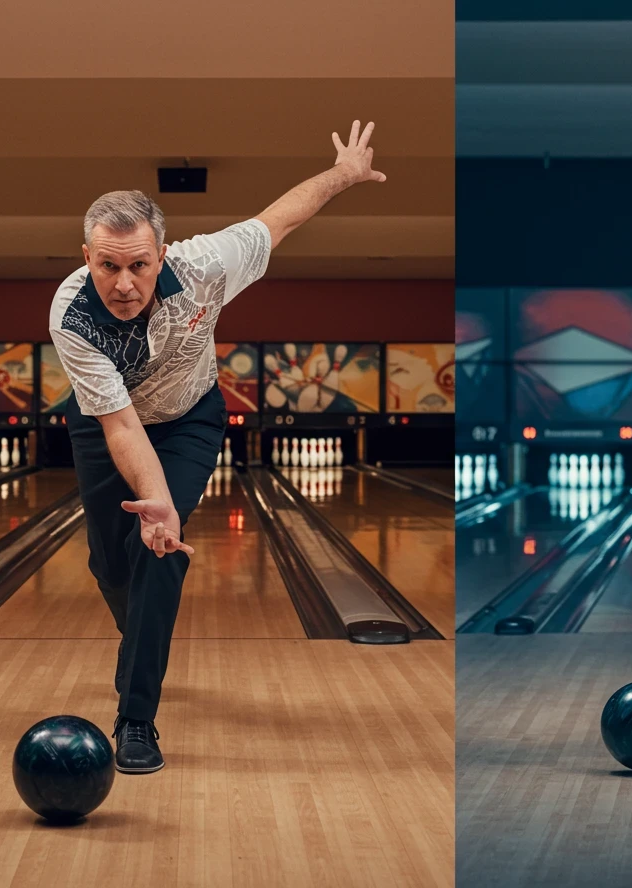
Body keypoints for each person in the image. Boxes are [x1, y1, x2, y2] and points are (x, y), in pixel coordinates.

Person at [48, 120, 387, 774]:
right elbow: (120, 427)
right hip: (103, 425)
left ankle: (136, 719)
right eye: (108, 265)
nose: (123, 283)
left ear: (163, 253)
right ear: (86, 256)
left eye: (138, 265)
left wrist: (342, 175)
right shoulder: (73, 316)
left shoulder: (204, 267)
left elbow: (280, 219)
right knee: (110, 568)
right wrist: (156, 501)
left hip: (190, 419)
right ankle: (139, 629)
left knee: (158, 553)